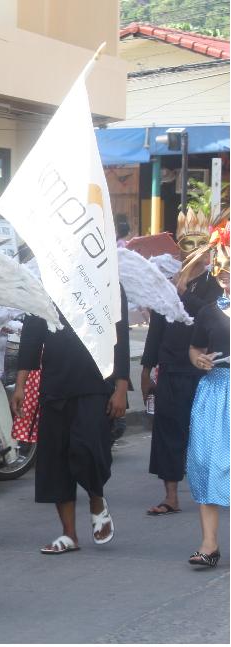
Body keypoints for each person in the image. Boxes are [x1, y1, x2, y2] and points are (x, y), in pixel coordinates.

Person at [13, 287, 130, 555]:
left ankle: (96, 497)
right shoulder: (44, 281)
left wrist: (121, 387)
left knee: (88, 448)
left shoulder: (105, 279)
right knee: (55, 461)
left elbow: (120, 334)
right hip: (55, 386)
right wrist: (20, 383)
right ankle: (69, 534)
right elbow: (32, 333)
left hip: (96, 383)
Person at [140, 208, 222, 516]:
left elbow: (215, 319)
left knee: (209, 433)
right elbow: (157, 330)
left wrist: (185, 295)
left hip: (206, 370)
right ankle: (171, 495)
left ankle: (216, 490)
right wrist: (147, 369)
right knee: (168, 429)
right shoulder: (168, 283)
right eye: (187, 242)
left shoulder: (217, 285)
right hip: (171, 367)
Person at [185, 223, 229, 568]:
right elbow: (195, 348)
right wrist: (197, 359)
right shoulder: (209, 310)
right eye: (224, 266)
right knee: (205, 464)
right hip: (214, 390)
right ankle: (209, 544)